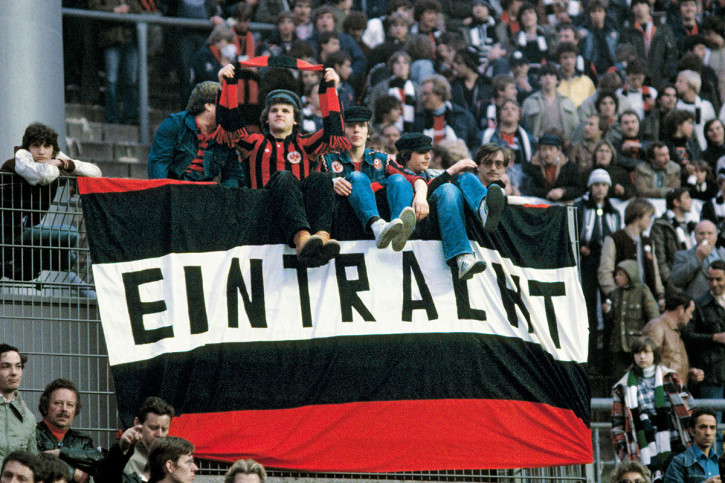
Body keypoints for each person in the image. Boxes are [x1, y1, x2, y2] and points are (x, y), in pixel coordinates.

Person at [217, 62, 348, 266]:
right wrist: (225, 85)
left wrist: (331, 88)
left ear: (295, 120)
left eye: (286, 111)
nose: (279, 113)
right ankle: (302, 239)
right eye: (274, 110)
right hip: (265, 210)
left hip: (302, 209)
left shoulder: (304, 143)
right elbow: (229, 125)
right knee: (284, 176)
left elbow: (334, 130)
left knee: (322, 177)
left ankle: (322, 237)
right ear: (266, 119)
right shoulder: (254, 142)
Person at [386, 133, 505, 280]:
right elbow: (416, 193)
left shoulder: (432, 173)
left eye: (429, 152)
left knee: (464, 178)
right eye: (422, 153)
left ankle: (483, 211)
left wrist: (456, 174)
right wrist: (451, 170)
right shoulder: (393, 173)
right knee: (448, 187)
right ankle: (462, 255)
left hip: (439, 220)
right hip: (412, 229)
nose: (428, 156)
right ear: (405, 155)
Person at [1, 123, 101, 292]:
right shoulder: (17, 163)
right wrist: (58, 165)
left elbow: (96, 173)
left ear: (53, 149)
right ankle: (12, 263)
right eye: (35, 146)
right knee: (70, 234)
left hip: (21, 233)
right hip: (7, 233)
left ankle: (13, 264)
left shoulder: (53, 163)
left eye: (46, 146)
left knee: (68, 258)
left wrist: (63, 163)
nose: (41, 152)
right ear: (27, 148)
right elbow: (42, 175)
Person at [323, 106, 416, 250]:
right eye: (350, 126)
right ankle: (377, 226)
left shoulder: (381, 158)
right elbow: (310, 184)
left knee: (398, 179)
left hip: (384, 219)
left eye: (361, 126)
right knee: (357, 177)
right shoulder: (328, 159)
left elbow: (413, 178)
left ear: (368, 132)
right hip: (347, 221)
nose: (356, 130)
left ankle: (398, 229)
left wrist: (421, 197)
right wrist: (329, 182)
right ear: (342, 132)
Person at [611, 336, 693, 481]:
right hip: (640, 446)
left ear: (654, 354)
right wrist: (623, 452)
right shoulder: (622, 386)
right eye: (637, 353)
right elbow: (617, 424)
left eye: (646, 352)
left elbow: (689, 410)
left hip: (672, 439)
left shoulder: (670, 378)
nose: (642, 357)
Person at [147, 81, 245, 187]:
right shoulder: (175, 124)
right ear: (208, 105)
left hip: (205, 194)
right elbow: (158, 165)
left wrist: (225, 198)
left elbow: (233, 175)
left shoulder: (226, 135)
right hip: (174, 190)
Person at [576, 169, 622, 370]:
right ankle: (591, 356)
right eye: (597, 185)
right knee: (588, 308)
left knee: (609, 306)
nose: (600, 188)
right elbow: (574, 232)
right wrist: (581, 247)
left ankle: (607, 359)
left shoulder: (613, 211)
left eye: (604, 185)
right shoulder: (580, 207)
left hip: (607, 264)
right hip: (587, 261)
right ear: (590, 187)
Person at [683, 260, 725, 454]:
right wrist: (714, 337)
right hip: (711, 374)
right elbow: (688, 336)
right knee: (711, 425)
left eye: (719, 279)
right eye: (710, 279)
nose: (714, 284)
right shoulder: (699, 304)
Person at [599, 198, 665, 309]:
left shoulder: (648, 241)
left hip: (646, 300)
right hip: (623, 302)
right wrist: (614, 294)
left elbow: (655, 272)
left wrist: (660, 295)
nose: (650, 220)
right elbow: (605, 271)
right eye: (648, 216)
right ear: (638, 217)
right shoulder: (614, 238)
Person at [35, 379, 102, 482]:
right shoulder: (33, 434)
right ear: (45, 407)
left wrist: (61, 453)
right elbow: (34, 463)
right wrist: (73, 472)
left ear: (75, 410)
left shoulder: (83, 441)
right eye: (58, 403)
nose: (64, 409)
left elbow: (99, 460)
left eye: (70, 405)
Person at [95, 396, 175, 483]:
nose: (160, 434)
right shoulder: (123, 455)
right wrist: (121, 449)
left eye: (164, 429)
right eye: (153, 427)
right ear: (137, 423)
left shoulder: (174, 457)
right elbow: (104, 478)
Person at [603, 260, 660, 380]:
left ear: (630, 275)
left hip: (636, 344)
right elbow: (612, 320)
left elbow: (654, 318)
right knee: (619, 378)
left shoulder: (642, 291)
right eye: (616, 274)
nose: (616, 278)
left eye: (620, 274)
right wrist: (607, 312)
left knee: (638, 376)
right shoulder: (615, 294)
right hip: (618, 345)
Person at [90, 0, 141, 124]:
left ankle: (130, 116)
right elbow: (94, 7)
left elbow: (137, 9)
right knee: (111, 80)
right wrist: (114, 10)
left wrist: (127, 8)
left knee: (131, 80)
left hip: (129, 38)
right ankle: (113, 117)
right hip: (111, 38)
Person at [641, 293, 703, 387]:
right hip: (662, 394)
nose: (691, 317)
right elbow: (647, 362)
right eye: (690, 312)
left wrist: (689, 373)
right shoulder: (657, 326)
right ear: (681, 309)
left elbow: (670, 361)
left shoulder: (673, 331)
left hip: (674, 392)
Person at [412, 74, 479, 152]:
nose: (423, 98)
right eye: (422, 94)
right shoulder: (420, 118)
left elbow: (476, 142)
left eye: (427, 94)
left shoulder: (461, 115)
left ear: (440, 94)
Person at [650, 189, 696, 295]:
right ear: (676, 202)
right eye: (687, 197)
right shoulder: (661, 226)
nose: (691, 200)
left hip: (693, 282)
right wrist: (670, 283)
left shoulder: (692, 225)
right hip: (675, 285)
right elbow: (660, 259)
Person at [521, 64, 579, 141]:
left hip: (563, 145)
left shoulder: (567, 101)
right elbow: (524, 127)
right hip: (539, 145)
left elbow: (576, 126)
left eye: (552, 75)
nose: (548, 78)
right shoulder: (529, 102)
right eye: (544, 75)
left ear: (557, 80)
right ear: (539, 81)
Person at [0, 344, 37, 461]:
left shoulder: (28, 418)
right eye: (6, 366)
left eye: (18, 366)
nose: (14, 372)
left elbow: (32, 465)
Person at [522, 132, 584, 202]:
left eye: (551, 149)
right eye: (544, 149)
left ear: (559, 150)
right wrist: (549, 194)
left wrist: (563, 191)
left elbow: (578, 189)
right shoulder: (531, 166)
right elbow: (529, 188)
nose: (547, 153)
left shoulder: (569, 166)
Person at [664, 408, 720, 483]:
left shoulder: (721, 462)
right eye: (702, 427)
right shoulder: (678, 462)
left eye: (712, 427)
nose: (708, 433)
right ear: (692, 431)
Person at [671, 221, 725, 299]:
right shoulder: (682, 256)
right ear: (695, 236)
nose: (705, 237)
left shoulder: (723, 255)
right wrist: (698, 258)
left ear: (716, 236)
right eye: (701, 233)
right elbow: (676, 280)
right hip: (697, 306)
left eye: (710, 233)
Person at [675, 69, 717, 152]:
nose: (676, 85)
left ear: (691, 84)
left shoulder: (705, 106)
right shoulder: (676, 107)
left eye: (680, 82)